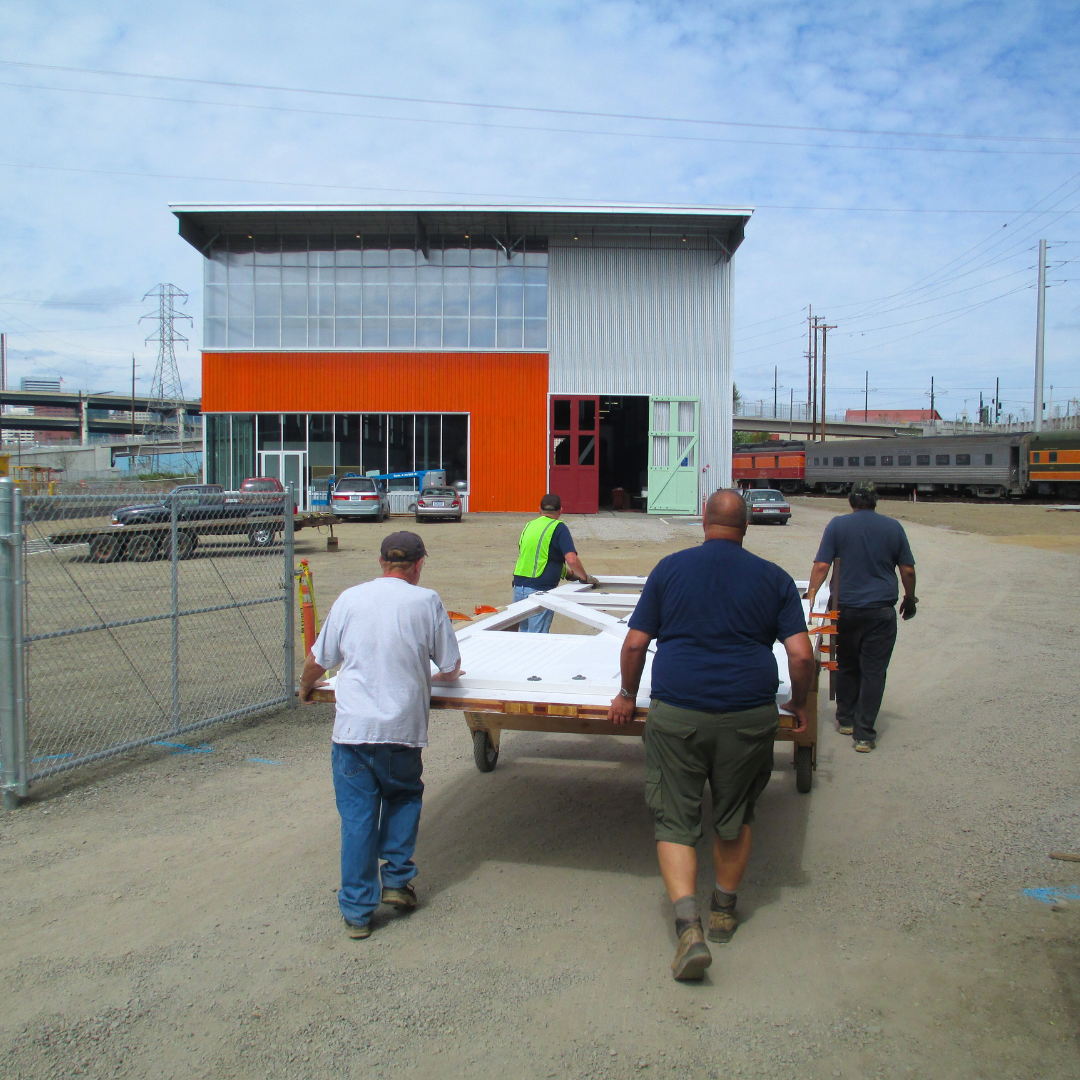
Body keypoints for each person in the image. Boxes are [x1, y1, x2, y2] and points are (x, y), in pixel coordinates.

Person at [608, 490, 814, 981]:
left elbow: (636, 644)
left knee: (675, 819)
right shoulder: (775, 578)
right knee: (735, 814)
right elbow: (803, 656)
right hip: (748, 713)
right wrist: (800, 703)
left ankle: (687, 926)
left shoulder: (670, 569)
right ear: (746, 527)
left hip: (678, 712)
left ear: (704, 521)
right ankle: (723, 910)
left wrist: (625, 694)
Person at [298, 531, 463, 940]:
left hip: (352, 731)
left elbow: (320, 660)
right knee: (403, 798)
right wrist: (428, 676)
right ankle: (396, 882)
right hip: (401, 731)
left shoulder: (350, 599)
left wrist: (304, 687)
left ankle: (357, 913)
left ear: (381, 562)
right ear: (419, 564)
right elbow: (451, 665)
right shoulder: (426, 602)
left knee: (357, 819)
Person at [806, 480, 917, 754]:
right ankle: (864, 735)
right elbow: (908, 570)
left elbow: (822, 565)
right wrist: (910, 598)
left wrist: (810, 598)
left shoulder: (837, 526)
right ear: (876, 501)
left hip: (843, 609)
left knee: (844, 663)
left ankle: (845, 720)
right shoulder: (894, 528)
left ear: (851, 501)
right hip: (880, 613)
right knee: (874, 671)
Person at [511, 493, 596, 632]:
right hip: (539, 590)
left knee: (524, 638)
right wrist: (584, 577)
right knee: (537, 640)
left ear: (539, 510)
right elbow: (571, 559)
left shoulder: (529, 526)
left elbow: (540, 557)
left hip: (519, 587)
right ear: (560, 511)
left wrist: (569, 575)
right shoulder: (558, 527)